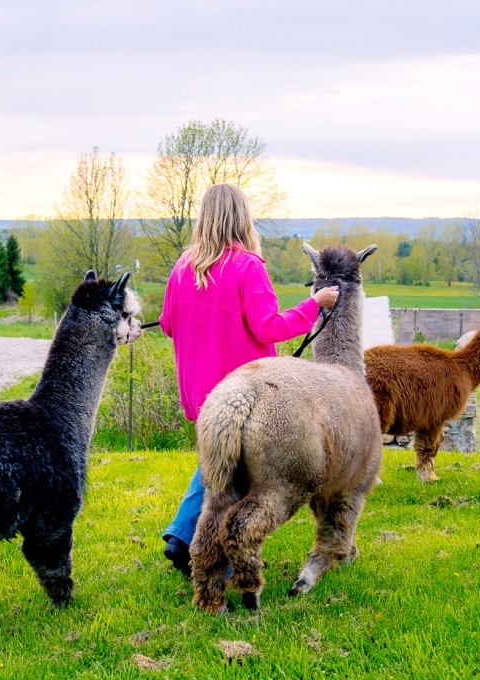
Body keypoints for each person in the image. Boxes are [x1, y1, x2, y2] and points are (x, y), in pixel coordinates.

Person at [159, 183, 339, 576]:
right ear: (242, 218)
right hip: (243, 394)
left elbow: (169, 325)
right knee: (236, 477)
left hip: (200, 392)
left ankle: (180, 537)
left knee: (215, 462)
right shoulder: (247, 267)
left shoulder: (183, 266)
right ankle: (218, 559)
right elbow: (269, 327)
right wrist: (315, 304)